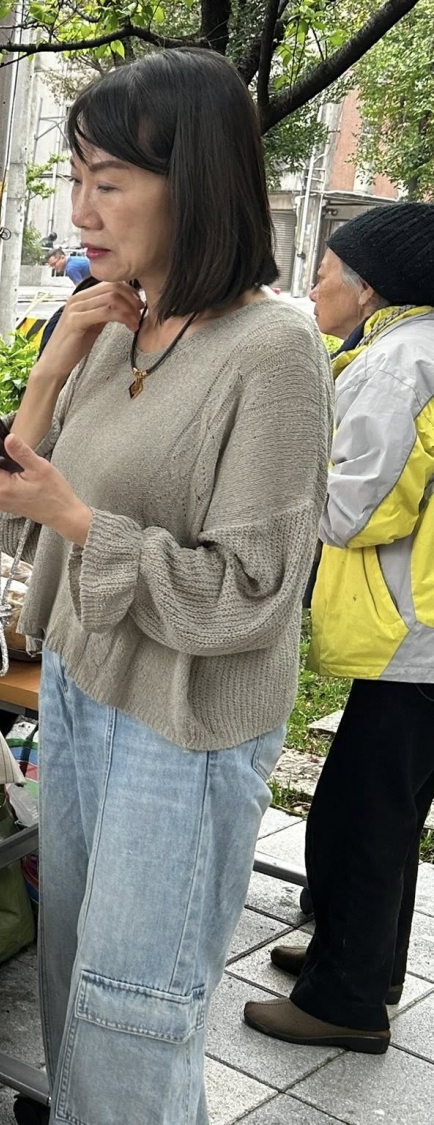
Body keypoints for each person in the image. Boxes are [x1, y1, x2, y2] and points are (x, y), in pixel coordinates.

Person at [0, 49, 332, 1125]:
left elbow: (252, 594)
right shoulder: (117, 322)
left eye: (110, 182)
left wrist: (80, 520)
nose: (81, 209)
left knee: (133, 1011)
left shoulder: (273, 349)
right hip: (82, 688)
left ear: (196, 184)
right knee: (71, 971)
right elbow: (7, 523)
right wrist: (50, 368)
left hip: (182, 726)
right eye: (76, 178)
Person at [244, 202, 434, 1054]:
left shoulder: (400, 363)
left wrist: (269, 486)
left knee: (362, 819)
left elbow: (356, 505)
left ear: (368, 288)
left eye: (323, 271)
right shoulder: (407, 349)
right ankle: (363, 962)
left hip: (413, 637)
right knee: (386, 811)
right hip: (415, 632)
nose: (311, 285)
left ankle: (346, 1001)